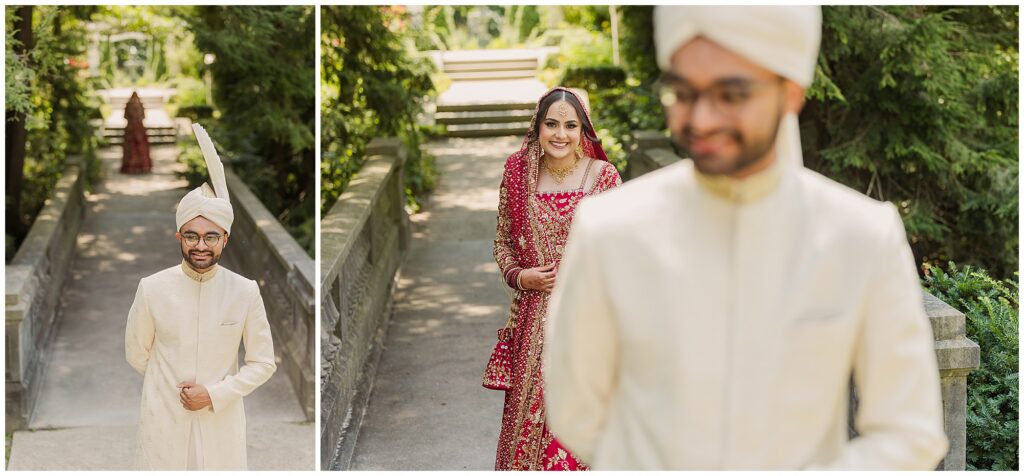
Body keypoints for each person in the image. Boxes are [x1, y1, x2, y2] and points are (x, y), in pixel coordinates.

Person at [543, 6, 948, 470]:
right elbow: (576, 406)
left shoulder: (861, 236)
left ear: (791, 92)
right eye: (683, 92)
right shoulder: (608, 229)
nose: (701, 118)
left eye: (731, 94)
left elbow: (908, 431)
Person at [125, 124, 276, 470]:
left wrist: (213, 394)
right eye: (192, 236)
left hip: (219, 419)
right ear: (179, 236)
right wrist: (169, 384)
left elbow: (263, 363)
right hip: (163, 415)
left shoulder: (244, 291)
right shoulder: (152, 288)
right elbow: (137, 352)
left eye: (211, 237)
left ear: (225, 239)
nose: (201, 245)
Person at [492, 87, 622, 470]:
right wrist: (520, 276)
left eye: (570, 125)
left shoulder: (603, 178)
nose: (560, 134)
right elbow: (501, 242)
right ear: (538, 126)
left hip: (588, 326)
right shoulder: (518, 174)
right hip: (532, 326)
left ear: (585, 130)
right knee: (524, 435)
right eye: (551, 124)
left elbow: (621, 255)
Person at [120, 91, 152, 174]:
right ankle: (131, 167)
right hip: (132, 129)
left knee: (140, 147)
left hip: (137, 129)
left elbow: (143, 116)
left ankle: (142, 166)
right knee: (131, 148)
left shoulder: (138, 105)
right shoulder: (130, 105)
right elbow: (126, 116)